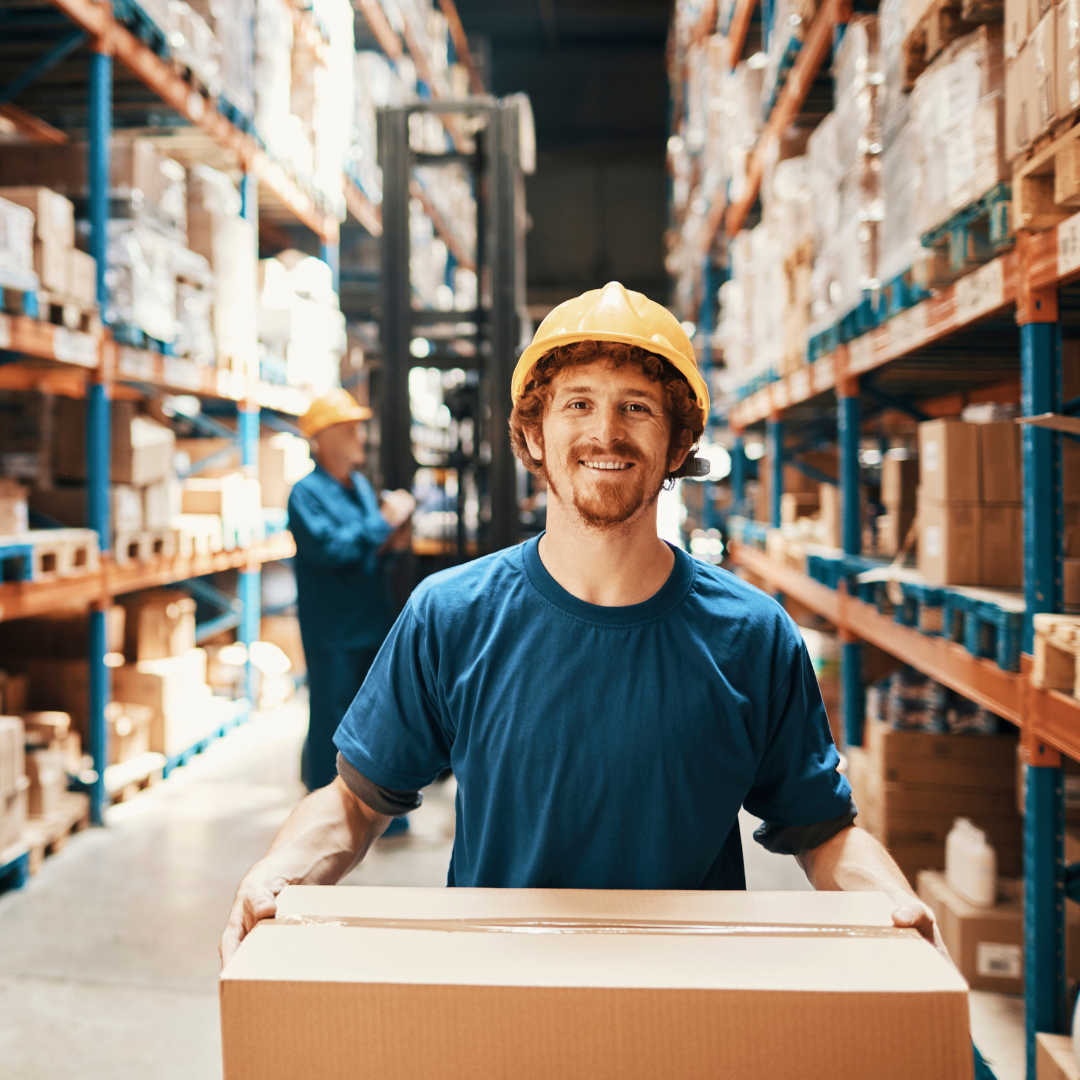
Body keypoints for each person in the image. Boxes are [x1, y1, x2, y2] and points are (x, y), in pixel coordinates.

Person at [221, 282, 942, 967]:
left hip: (692, 1011)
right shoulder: (453, 616)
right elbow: (355, 803)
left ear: (679, 445)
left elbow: (821, 830)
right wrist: (276, 872)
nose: (605, 432)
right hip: (500, 1008)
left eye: (637, 407)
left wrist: (893, 902)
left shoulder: (752, 635)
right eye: (577, 404)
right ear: (533, 434)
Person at [288, 389, 415, 796]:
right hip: (333, 631)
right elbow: (333, 550)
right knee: (332, 717)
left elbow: (366, 548)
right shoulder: (305, 495)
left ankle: (377, 811)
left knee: (375, 720)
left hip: (371, 621)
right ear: (321, 438)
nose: (361, 437)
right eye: (349, 429)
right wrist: (384, 521)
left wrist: (392, 542)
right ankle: (325, 807)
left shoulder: (359, 486)